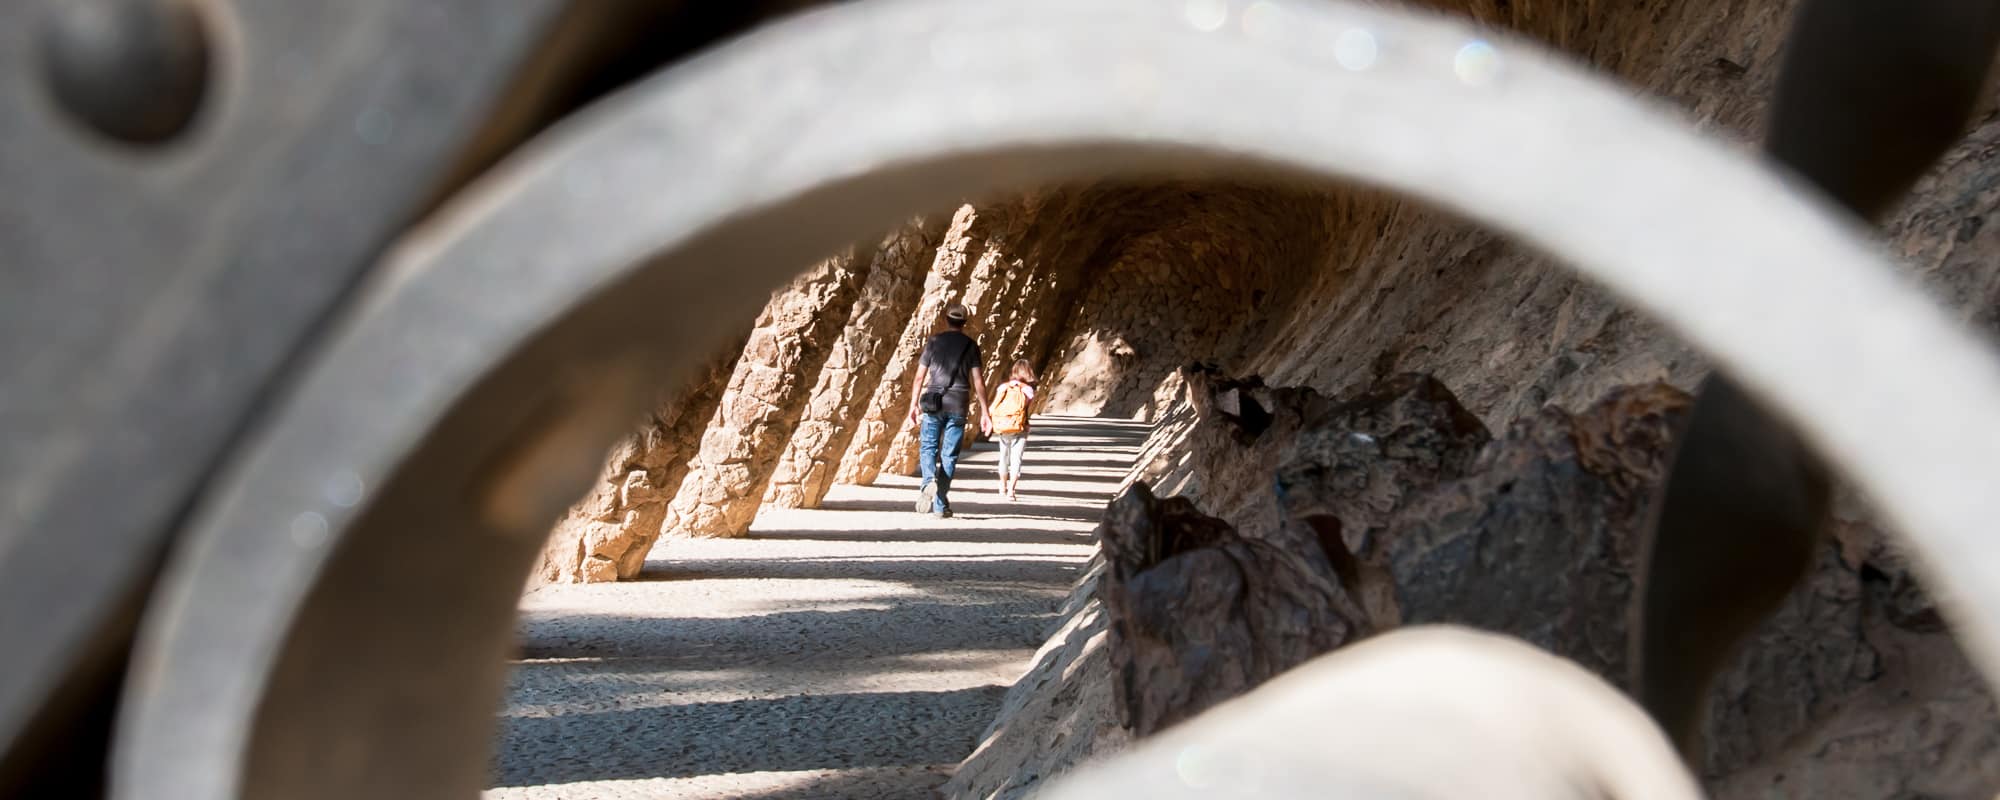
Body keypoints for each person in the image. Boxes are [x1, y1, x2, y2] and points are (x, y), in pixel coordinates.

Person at [906, 303, 989, 518]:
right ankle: (940, 506)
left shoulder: (934, 342)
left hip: (934, 402)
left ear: (946, 319)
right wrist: (985, 412)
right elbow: (978, 381)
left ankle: (928, 481)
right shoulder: (971, 345)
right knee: (949, 456)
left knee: (928, 447)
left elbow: (919, 377)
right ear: (965, 322)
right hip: (959, 404)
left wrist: (913, 405)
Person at [989, 360, 1037, 501]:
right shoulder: (1028, 390)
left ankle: (1002, 485)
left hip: (1003, 426)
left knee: (1003, 457)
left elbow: (993, 407)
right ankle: (1011, 490)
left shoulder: (1003, 387)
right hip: (1020, 427)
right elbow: (1026, 410)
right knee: (1016, 459)